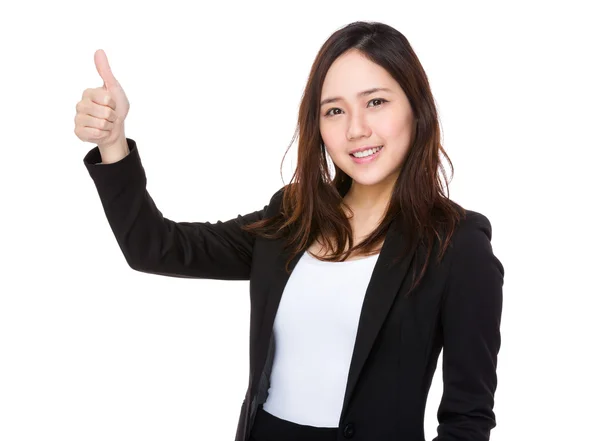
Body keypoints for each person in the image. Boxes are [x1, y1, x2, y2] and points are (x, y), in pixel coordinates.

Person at [74, 21, 504, 441]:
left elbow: (467, 419)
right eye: (334, 110)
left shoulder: (456, 245)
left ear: (416, 106)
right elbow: (155, 247)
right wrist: (114, 142)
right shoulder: (292, 216)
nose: (356, 129)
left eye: (375, 102)